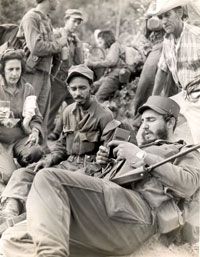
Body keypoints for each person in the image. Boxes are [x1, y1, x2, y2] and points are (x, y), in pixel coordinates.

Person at [1, 96, 200, 257]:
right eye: (142, 122)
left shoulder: (183, 150)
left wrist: (140, 155)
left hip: (137, 213)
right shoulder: (136, 149)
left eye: (151, 120)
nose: (144, 126)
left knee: (48, 179)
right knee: (13, 238)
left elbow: (189, 184)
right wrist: (106, 164)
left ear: (171, 122)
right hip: (105, 216)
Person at [0, 64, 114, 232]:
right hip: (66, 164)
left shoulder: (104, 115)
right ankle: (10, 210)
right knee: (23, 173)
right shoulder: (68, 111)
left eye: (82, 88)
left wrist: (101, 160)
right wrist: (48, 159)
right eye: (73, 89)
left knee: (48, 183)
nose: (77, 93)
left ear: (91, 87)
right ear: (68, 89)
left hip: (87, 171)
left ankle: (21, 221)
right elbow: (61, 145)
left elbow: (109, 152)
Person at [16, 0, 69, 149]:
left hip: (44, 73)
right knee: (28, 111)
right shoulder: (31, 18)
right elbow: (36, 46)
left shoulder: (46, 19)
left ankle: (41, 150)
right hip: (31, 73)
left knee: (42, 114)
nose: (58, 2)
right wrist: (60, 43)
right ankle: (24, 151)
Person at [151, 0, 200, 144]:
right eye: (161, 18)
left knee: (197, 143)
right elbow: (162, 70)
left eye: (167, 15)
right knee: (154, 116)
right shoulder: (168, 40)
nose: (164, 21)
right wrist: (153, 100)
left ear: (179, 13)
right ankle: (162, 152)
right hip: (184, 95)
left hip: (198, 97)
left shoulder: (197, 36)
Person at [0, 49, 44, 195]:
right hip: (1, 141)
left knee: (36, 151)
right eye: (10, 69)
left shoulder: (27, 89)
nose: (14, 73)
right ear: (3, 70)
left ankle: (19, 164)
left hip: (19, 137)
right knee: (9, 176)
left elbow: (36, 116)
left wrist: (35, 131)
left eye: (17, 69)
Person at [48, 9, 84, 138]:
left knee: (77, 108)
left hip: (70, 80)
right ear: (66, 20)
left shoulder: (75, 40)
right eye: (74, 21)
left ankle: (68, 135)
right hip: (57, 78)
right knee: (51, 110)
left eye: (78, 23)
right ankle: (43, 141)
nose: (76, 25)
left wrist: (79, 46)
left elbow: (79, 62)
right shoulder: (56, 34)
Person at [86, 30, 127, 102]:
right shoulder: (111, 48)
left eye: (101, 42)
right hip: (109, 75)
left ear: (106, 39)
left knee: (98, 97)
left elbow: (111, 62)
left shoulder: (115, 46)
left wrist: (93, 64)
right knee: (91, 88)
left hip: (114, 76)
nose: (99, 45)